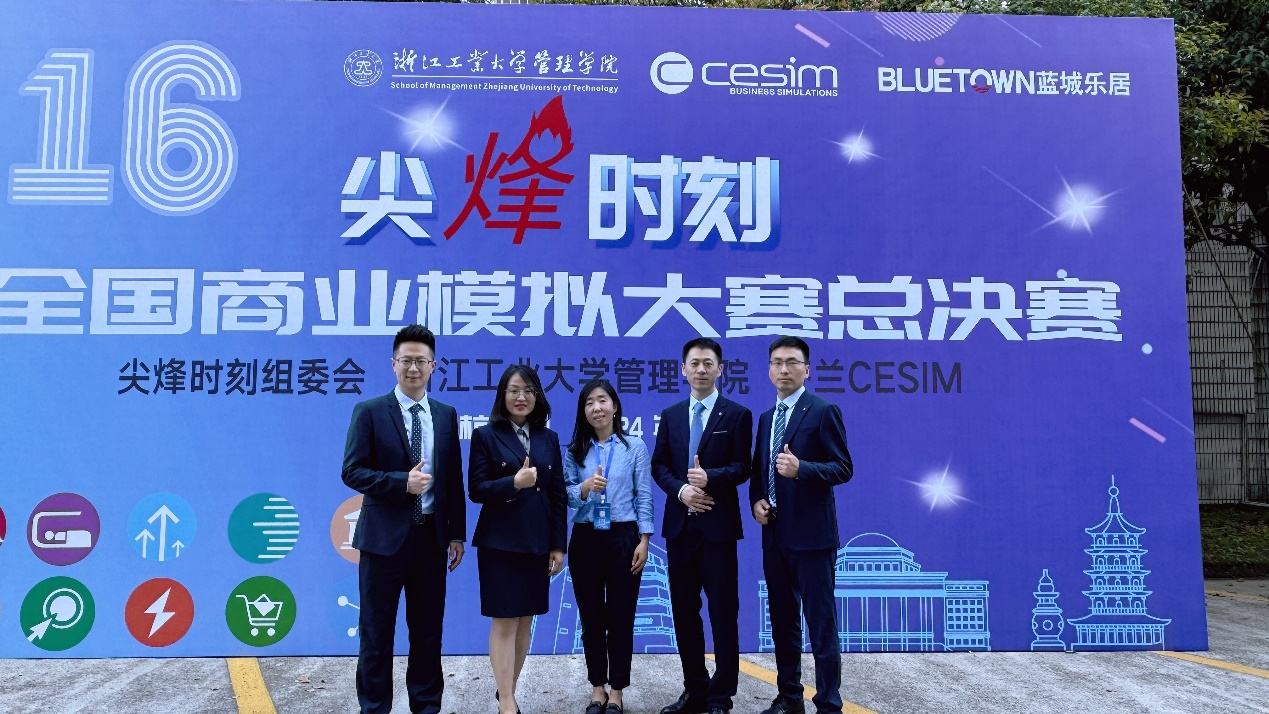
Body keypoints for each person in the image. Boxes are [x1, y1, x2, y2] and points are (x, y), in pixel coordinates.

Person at [342, 324, 466, 714]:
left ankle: (426, 706)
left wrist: (457, 534)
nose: (414, 368)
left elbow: (452, 479)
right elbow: (352, 471)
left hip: (430, 540)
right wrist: (401, 483)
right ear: (393, 364)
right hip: (383, 542)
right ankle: (374, 707)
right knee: (376, 634)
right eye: (406, 360)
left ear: (433, 366)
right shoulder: (370, 412)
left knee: (427, 633)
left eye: (421, 361)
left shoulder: (445, 415)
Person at [750, 336, 853, 714]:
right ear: (769, 370)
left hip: (813, 538)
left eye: (792, 362)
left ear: (807, 370)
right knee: (783, 622)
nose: (784, 369)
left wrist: (802, 469)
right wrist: (757, 502)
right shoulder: (767, 418)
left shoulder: (823, 411)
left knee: (821, 625)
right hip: (775, 535)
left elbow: (843, 467)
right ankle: (789, 698)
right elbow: (760, 472)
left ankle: (828, 704)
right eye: (777, 362)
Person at [651, 338, 753, 714]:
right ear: (683, 369)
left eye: (708, 363)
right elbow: (659, 466)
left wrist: (711, 478)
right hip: (680, 529)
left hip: (718, 530)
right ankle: (694, 690)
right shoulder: (672, 414)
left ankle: (720, 697)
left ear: (719, 369)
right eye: (694, 363)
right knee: (684, 612)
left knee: (723, 613)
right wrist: (682, 492)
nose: (701, 369)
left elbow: (743, 466)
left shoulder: (737, 414)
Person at [469, 364, 568, 714]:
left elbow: (558, 496)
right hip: (500, 544)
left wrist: (558, 545)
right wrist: (514, 482)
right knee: (505, 620)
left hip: (537, 543)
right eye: (513, 390)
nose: (521, 397)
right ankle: (508, 703)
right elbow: (477, 489)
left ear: (537, 396)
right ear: (503, 396)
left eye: (528, 390)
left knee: (525, 620)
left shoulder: (548, 438)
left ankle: (506, 691)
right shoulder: (485, 435)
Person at [564, 379, 655, 714]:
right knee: (591, 619)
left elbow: (643, 495)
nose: (596, 408)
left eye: (602, 400)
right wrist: (585, 487)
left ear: (615, 406)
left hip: (624, 537)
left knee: (620, 617)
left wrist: (644, 540)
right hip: (586, 538)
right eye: (589, 403)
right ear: (583, 411)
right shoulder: (574, 451)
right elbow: (566, 495)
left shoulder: (635, 447)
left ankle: (617, 691)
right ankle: (597, 689)